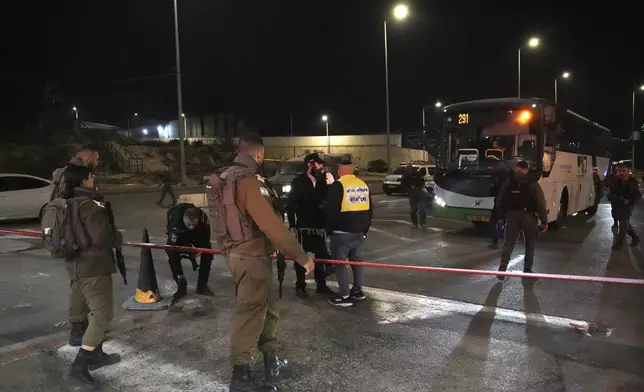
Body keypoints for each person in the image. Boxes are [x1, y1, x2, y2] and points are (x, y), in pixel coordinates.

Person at [207, 133, 314, 392]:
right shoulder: (248, 181)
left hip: (240, 254)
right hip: (252, 257)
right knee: (250, 314)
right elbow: (271, 224)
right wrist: (300, 256)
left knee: (268, 309)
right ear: (258, 154)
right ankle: (240, 377)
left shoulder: (224, 178)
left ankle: (270, 359)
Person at [60, 165, 122, 385]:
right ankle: (80, 364)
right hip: (94, 268)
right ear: (85, 180)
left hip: (75, 265)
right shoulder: (91, 205)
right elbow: (102, 237)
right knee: (102, 316)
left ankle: (96, 354)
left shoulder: (66, 203)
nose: (94, 179)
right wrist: (118, 236)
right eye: (91, 176)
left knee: (86, 310)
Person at [325, 158, 373, 307]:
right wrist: (365, 229)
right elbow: (370, 209)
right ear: (352, 170)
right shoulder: (362, 184)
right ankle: (357, 291)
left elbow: (331, 210)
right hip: (359, 231)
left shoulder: (338, 185)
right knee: (357, 261)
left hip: (342, 231)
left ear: (339, 171)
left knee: (340, 264)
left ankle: (344, 296)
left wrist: (328, 229)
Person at [286, 152, 335, 298]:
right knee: (301, 257)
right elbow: (291, 204)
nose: (322, 166)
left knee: (321, 257)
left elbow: (331, 200)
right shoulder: (298, 181)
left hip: (319, 227)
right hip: (303, 227)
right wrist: (292, 225)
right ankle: (301, 286)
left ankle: (321, 285)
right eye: (319, 163)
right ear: (310, 164)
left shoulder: (324, 181)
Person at [495, 161, 548, 280]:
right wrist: (544, 221)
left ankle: (502, 269)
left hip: (511, 215)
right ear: (526, 170)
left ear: (517, 169)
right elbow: (540, 203)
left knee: (509, 243)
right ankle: (527, 270)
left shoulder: (509, 181)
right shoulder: (533, 182)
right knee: (530, 244)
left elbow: (500, 200)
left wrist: (501, 217)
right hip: (528, 216)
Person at [165, 203, 214, 299]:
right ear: (183, 219)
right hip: (180, 234)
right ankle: (181, 282)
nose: (191, 227)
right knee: (171, 252)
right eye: (189, 224)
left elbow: (205, 240)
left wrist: (196, 250)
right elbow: (172, 244)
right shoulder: (175, 221)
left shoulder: (203, 220)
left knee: (208, 252)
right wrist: (185, 248)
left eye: (193, 224)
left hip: (197, 234)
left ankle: (202, 285)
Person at [607, 164, 641, 249]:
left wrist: (629, 201)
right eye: (620, 171)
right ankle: (635, 238)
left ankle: (619, 243)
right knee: (624, 223)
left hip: (628, 204)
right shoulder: (617, 181)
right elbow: (611, 191)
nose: (622, 173)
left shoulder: (633, 182)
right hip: (618, 204)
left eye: (624, 171)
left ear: (628, 172)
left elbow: (637, 195)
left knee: (623, 224)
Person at [489, 165, 511, 249]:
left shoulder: (498, 182)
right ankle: (507, 244)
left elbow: (491, 192)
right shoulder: (511, 183)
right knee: (507, 224)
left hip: (498, 206)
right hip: (508, 207)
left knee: (493, 223)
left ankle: (495, 243)